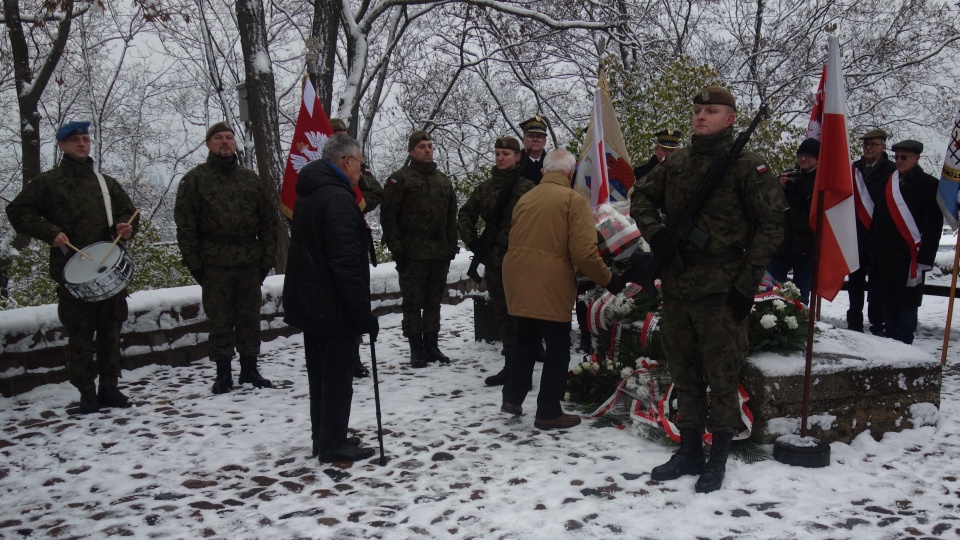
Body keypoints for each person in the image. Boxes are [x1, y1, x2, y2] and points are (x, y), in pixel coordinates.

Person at [630, 86, 786, 493]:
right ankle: (689, 451)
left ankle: (717, 457)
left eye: (711, 111)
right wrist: (658, 235)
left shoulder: (748, 166)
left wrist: (746, 284)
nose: (701, 117)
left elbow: (772, 225)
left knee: (721, 376)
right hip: (680, 286)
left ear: (730, 119)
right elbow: (641, 197)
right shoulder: (676, 162)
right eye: (698, 110)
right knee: (684, 373)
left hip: (722, 288)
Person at [6, 121, 140, 414]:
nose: (82, 143)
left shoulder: (105, 183)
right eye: (75, 140)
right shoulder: (47, 183)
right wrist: (49, 232)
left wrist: (126, 227)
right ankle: (86, 393)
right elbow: (17, 211)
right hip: (72, 273)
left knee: (110, 331)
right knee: (80, 336)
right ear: (62, 146)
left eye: (85, 139)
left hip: (108, 271)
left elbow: (129, 214)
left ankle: (109, 387)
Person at [501, 149, 625, 430]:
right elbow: (583, 253)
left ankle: (512, 397)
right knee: (557, 345)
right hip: (549, 280)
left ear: (544, 172)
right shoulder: (572, 200)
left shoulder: (526, 197)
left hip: (517, 276)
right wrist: (609, 280)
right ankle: (547, 411)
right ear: (570, 174)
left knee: (525, 338)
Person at [282, 134, 379, 462]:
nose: (361, 169)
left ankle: (323, 437)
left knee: (321, 376)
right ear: (346, 161)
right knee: (336, 378)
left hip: (313, 303)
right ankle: (333, 443)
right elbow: (345, 263)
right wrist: (362, 314)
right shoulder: (337, 199)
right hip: (331, 305)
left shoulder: (312, 192)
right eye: (360, 162)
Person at [174, 122, 278, 394]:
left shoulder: (250, 179)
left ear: (235, 143)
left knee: (249, 318)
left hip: (249, 261)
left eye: (229, 138)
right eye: (218, 138)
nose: (225, 142)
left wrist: (266, 261)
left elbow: (268, 223)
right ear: (208, 144)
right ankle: (223, 374)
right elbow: (185, 228)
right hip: (214, 263)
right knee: (220, 320)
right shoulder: (194, 180)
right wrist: (196, 266)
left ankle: (250, 369)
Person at [458, 136, 535, 386]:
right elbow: (465, 215)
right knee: (502, 313)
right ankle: (510, 365)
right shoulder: (484, 188)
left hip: (522, 260)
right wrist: (473, 242)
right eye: (498, 153)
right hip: (494, 260)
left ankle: (524, 365)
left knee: (523, 313)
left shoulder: (528, 188)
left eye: (506, 154)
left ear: (517, 157)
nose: (501, 158)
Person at [381, 130, 458, 368]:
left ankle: (432, 345)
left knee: (433, 302)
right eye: (422, 146)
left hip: (438, 251)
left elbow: (450, 218)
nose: (427, 150)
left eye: (430, 146)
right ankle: (416, 349)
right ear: (411, 151)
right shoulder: (399, 180)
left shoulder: (442, 180)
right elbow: (389, 218)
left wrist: (451, 248)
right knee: (413, 303)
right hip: (412, 252)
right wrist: (397, 250)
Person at [867, 140, 942, 345]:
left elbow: (933, 226)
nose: (899, 161)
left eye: (904, 157)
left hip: (910, 258)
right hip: (885, 256)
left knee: (907, 309)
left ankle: (906, 352)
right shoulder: (887, 183)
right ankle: (891, 349)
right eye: (897, 157)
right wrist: (872, 249)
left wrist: (925, 258)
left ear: (916, 159)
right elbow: (877, 218)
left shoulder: (929, 185)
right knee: (888, 308)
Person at [331, 117, 383, 379]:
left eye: (342, 133)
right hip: (331, 242)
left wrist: (351, 203)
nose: (339, 137)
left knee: (357, 298)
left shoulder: (358, 167)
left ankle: (355, 355)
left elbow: (374, 193)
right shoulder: (320, 167)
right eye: (334, 134)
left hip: (354, 237)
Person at [849, 128, 897, 334]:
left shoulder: (892, 171)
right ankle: (854, 322)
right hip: (856, 235)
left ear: (883, 147)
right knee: (855, 282)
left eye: (873, 144)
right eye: (865, 144)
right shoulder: (853, 169)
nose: (868, 148)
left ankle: (877, 323)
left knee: (877, 284)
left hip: (880, 236)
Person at [768, 138, 819, 304]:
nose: (803, 159)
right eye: (800, 155)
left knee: (801, 295)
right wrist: (779, 186)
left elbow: (817, 208)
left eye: (809, 156)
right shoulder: (788, 175)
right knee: (773, 290)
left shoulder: (821, 180)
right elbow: (769, 203)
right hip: (782, 242)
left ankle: (800, 325)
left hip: (806, 245)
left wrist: (801, 188)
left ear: (818, 158)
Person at [518, 116, 549, 184]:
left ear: (545, 141)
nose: (535, 139)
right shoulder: (515, 163)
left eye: (539, 136)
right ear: (523, 140)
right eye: (531, 136)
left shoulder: (552, 164)